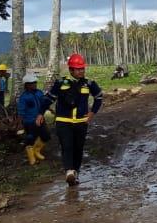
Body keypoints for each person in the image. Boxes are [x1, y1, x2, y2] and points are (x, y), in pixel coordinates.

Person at [43, 53, 103, 186]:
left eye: (82, 68)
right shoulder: (60, 83)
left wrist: (92, 113)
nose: (81, 71)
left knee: (78, 148)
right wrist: (40, 113)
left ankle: (75, 172)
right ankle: (69, 171)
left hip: (81, 122)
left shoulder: (89, 84)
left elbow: (99, 97)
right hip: (63, 122)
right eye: (78, 69)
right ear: (71, 70)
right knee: (67, 146)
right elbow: (48, 99)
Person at [16, 73, 50, 165]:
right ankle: (31, 158)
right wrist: (20, 124)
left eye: (35, 82)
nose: (34, 84)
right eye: (32, 83)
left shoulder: (39, 92)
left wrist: (51, 109)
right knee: (31, 138)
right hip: (29, 121)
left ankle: (37, 151)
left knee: (46, 136)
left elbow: (44, 103)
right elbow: (21, 111)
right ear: (26, 85)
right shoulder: (24, 97)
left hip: (40, 119)